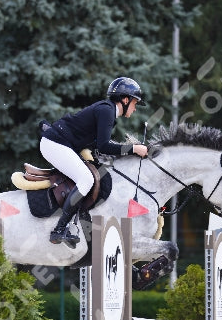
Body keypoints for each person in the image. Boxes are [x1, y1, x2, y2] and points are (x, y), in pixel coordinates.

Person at [40, 76, 149, 246]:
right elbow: (104, 145)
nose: (135, 108)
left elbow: (98, 145)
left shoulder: (108, 111)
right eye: (135, 103)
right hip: (54, 144)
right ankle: (60, 229)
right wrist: (133, 148)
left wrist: (130, 151)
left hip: (59, 143)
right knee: (86, 179)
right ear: (125, 99)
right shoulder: (107, 111)